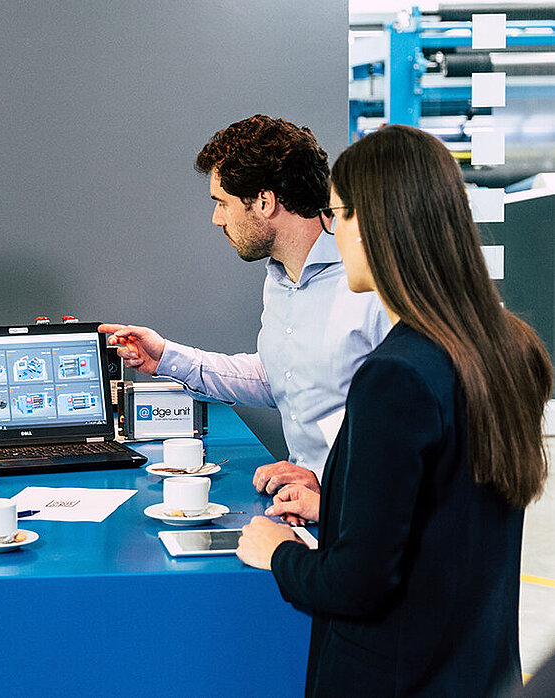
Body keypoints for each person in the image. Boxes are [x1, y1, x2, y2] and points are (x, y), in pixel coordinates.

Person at [236, 125, 551, 696]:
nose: (332, 233)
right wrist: (336, 504)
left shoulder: (394, 375)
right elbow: (452, 517)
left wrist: (278, 553)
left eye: (337, 216)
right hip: (480, 673)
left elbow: (355, 583)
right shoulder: (509, 347)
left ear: (378, 222)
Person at [101, 115, 390, 499]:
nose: (216, 218)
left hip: (358, 508)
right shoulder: (280, 279)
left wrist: (330, 484)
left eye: (222, 203)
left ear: (265, 202)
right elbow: (282, 377)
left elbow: (408, 429)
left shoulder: (369, 284)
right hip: (307, 502)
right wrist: (166, 356)